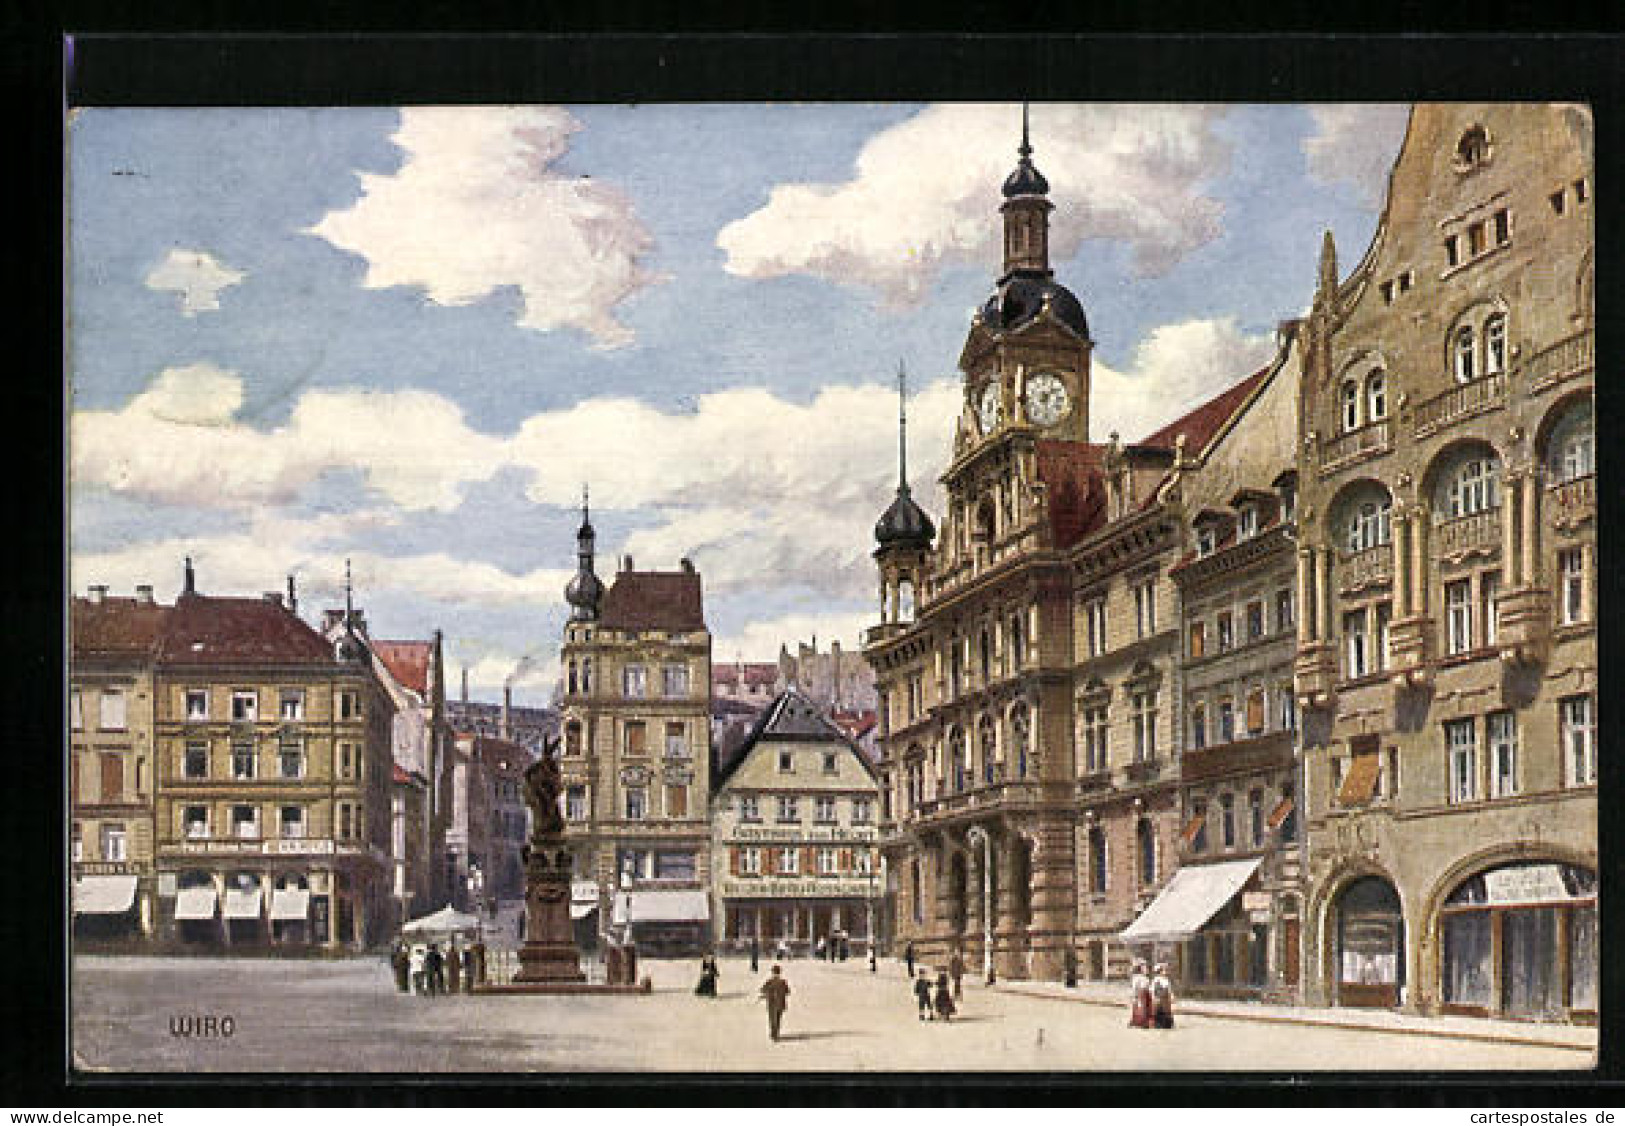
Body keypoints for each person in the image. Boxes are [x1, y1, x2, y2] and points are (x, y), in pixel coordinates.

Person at [758, 964, 791, 1041]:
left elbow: (762, 989)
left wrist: (767, 994)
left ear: (773, 972)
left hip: (771, 1003)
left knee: (772, 1018)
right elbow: (788, 991)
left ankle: (774, 1034)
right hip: (780, 1003)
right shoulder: (783, 982)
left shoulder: (770, 981)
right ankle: (775, 1034)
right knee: (778, 1019)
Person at [1128, 959, 1152, 1029]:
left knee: (1140, 1009)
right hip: (1141, 995)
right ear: (1140, 968)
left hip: (1142, 995)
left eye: (1146, 967)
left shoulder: (1140, 978)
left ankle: (1138, 1022)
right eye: (1144, 967)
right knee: (1140, 1009)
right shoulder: (1139, 978)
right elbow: (1138, 988)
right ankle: (1139, 1022)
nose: (1146, 969)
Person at [1151, 963, 1175, 1029]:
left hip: (1162, 999)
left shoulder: (1164, 980)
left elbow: (1169, 990)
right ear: (1160, 971)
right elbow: (1153, 990)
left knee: (1163, 1011)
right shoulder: (1158, 980)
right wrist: (1154, 998)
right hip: (1161, 999)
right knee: (1161, 1011)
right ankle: (1160, 1023)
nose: (1165, 972)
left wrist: (1171, 996)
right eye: (1164, 970)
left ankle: (1163, 1024)